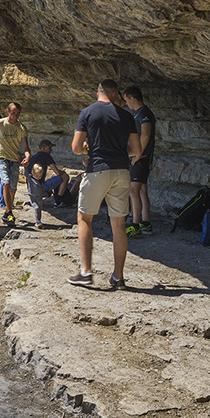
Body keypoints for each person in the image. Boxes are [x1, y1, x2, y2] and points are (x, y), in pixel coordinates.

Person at [69, 80, 141, 289]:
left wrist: (86, 149)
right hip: (121, 171)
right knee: (119, 224)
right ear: (115, 93)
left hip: (98, 169)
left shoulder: (88, 113)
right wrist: (118, 152)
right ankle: (118, 277)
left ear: (99, 92)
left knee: (84, 218)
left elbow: (75, 147)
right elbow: (136, 149)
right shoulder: (127, 116)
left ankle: (86, 272)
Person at [0, 102, 31, 225]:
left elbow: (26, 147)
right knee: (6, 182)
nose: (15, 116)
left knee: (12, 189)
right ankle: (10, 213)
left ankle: (7, 212)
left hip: (14, 159)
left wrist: (27, 157)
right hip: (1, 157)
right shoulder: (0, 123)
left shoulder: (21, 128)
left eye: (17, 114)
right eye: (13, 113)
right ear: (7, 111)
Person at [122, 86, 155, 236]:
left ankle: (135, 224)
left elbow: (146, 135)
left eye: (127, 99)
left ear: (133, 98)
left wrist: (137, 154)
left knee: (133, 191)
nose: (126, 103)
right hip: (142, 158)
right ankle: (146, 223)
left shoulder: (144, 113)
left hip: (140, 158)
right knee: (142, 190)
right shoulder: (139, 113)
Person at [25, 139, 70, 228]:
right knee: (65, 177)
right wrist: (62, 172)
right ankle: (58, 200)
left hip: (32, 187)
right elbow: (57, 172)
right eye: (49, 148)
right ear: (44, 148)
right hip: (41, 187)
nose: (51, 150)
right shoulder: (46, 156)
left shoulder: (34, 157)